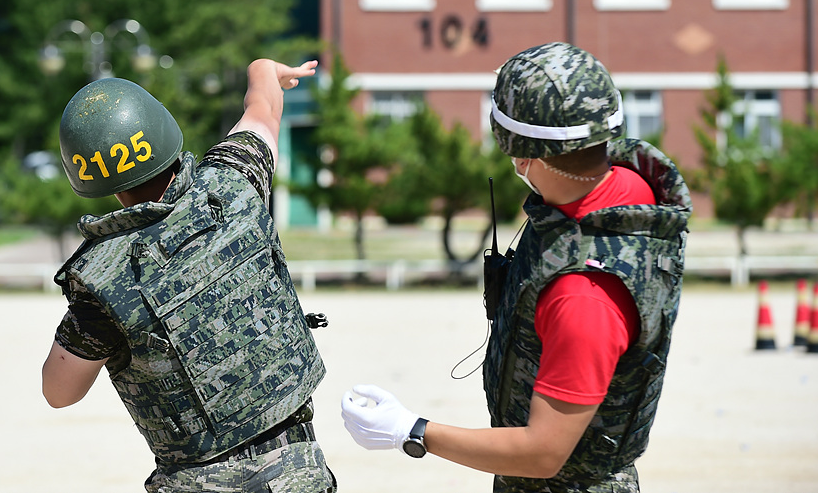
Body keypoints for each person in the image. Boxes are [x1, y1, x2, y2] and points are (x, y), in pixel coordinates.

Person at [340, 42, 691, 493]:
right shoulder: (620, 185)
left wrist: (410, 430)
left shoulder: (583, 295)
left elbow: (543, 452)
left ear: (523, 156)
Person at [42, 58, 336, 493]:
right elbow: (262, 112)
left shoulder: (103, 280)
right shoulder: (236, 179)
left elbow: (59, 392)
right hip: (297, 473)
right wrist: (263, 69)